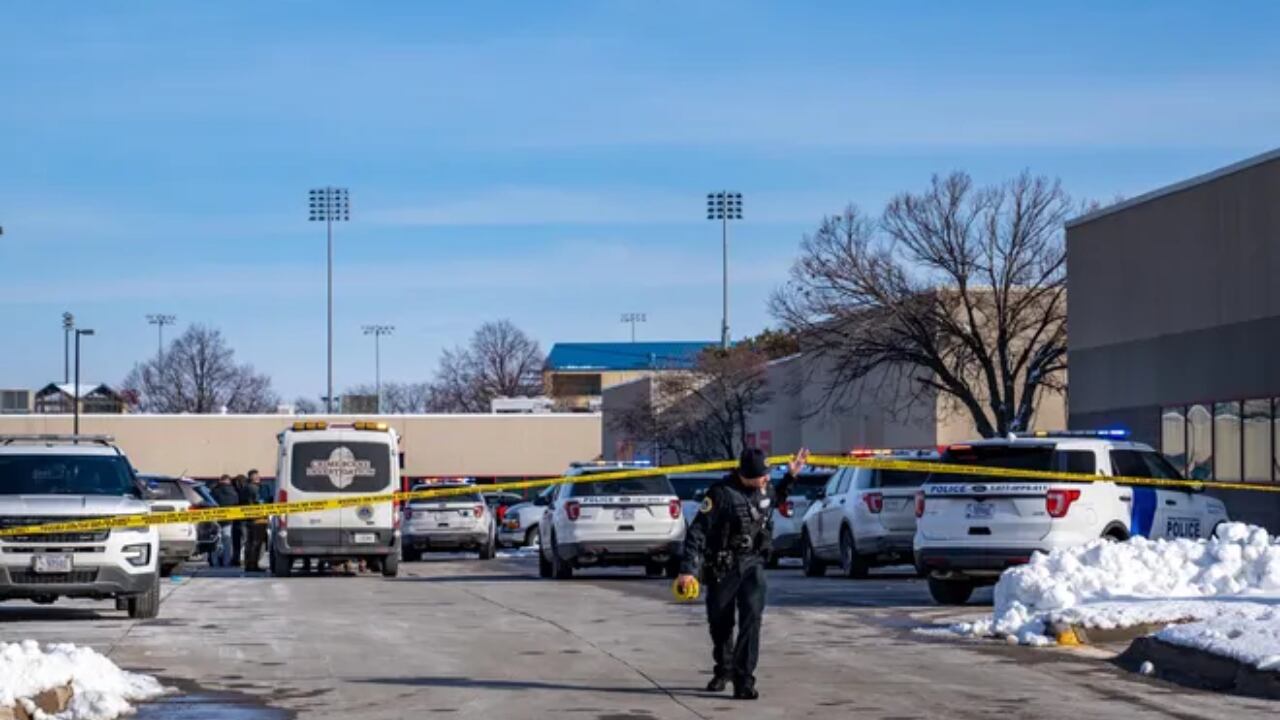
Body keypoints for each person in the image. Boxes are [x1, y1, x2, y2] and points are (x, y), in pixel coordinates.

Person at [676, 446, 809, 701]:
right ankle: (723, 669)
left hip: (753, 564)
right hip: (723, 567)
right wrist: (687, 571)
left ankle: (744, 679)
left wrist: (791, 476)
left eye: (768, 474)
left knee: (752, 619)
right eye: (762, 474)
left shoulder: (764, 489)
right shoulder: (720, 494)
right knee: (721, 623)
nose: (767, 479)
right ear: (747, 474)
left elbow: (777, 498)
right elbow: (697, 532)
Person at [209, 474, 240, 567]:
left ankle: (215, 562)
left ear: (220, 480)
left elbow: (209, 503)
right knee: (227, 541)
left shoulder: (214, 491)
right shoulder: (233, 491)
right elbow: (236, 503)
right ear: (229, 481)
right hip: (228, 520)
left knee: (215, 541)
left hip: (215, 519)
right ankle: (227, 562)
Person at [241, 470, 268, 572]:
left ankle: (249, 564)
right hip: (257, 518)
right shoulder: (254, 488)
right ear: (251, 477)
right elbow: (259, 502)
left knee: (250, 542)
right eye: (256, 476)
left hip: (248, 518)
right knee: (256, 543)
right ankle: (253, 565)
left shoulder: (245, 487)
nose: (258, 477)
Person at [229, 474, 248, 567]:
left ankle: (236, 559)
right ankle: (243, 559)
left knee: (236, 542)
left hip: (236, 520)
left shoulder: (232, 491)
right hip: (243, 519)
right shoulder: (245, 491)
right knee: (244, 541)